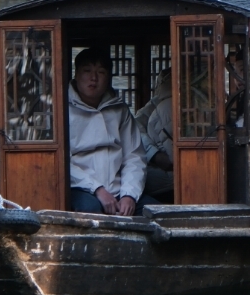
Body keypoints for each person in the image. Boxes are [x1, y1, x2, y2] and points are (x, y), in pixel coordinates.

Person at [67, 47, 150, 216]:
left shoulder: (119, 110)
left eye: (101, 72)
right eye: (87, 71)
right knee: (90, 211)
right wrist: (97, 189)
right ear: (76, 74)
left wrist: (129, 195)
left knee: (156, 213)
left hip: (119, 188)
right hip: (81, 188)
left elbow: (134, 156)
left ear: (109, 78)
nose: (94, 78)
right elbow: (61, 162)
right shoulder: (62, 110)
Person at [135, 68, 175, 202]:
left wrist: (155, 155)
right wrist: (155, 155)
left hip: (170, 180)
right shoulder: (155, 107)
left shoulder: (162, 107)